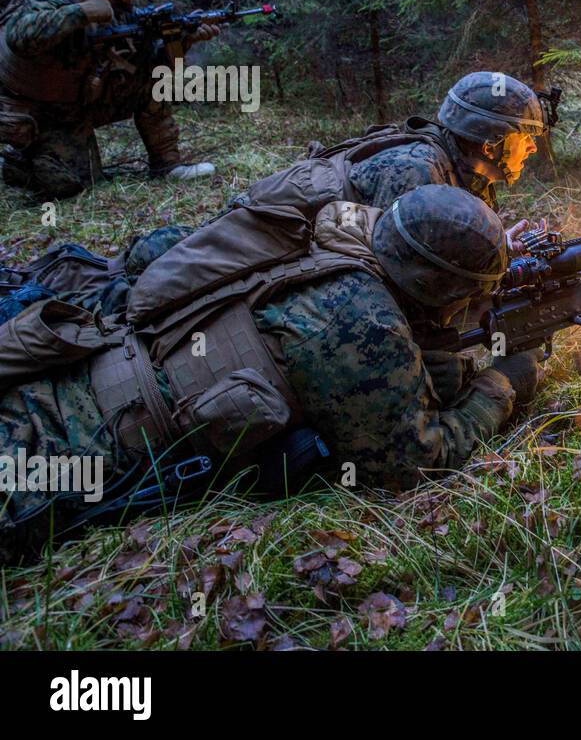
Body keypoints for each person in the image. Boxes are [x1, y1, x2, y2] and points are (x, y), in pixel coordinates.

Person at [0, 184, 546, 562]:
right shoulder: (364, 322)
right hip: (68, 453)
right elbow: (409, 465)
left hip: (73, 372)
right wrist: (502, 385)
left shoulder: (336, 229)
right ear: (438, 285)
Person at [0, 0, 218, 199]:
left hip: (80, 102)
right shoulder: (54, 0)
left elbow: (147, 67)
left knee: (154, 84)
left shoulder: (121, 10)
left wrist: (183, 42)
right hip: (41, 112)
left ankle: (168, 165)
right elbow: (20, 36)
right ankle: (21, 161)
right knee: (71, 186)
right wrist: (81, 13)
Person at [241, 71, 548, 251]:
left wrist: (493, 247)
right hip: (259, 243)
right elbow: (398, 273)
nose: (533, 148)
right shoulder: (417, 174)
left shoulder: (460, 172)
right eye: (524, 138)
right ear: (490, 145)